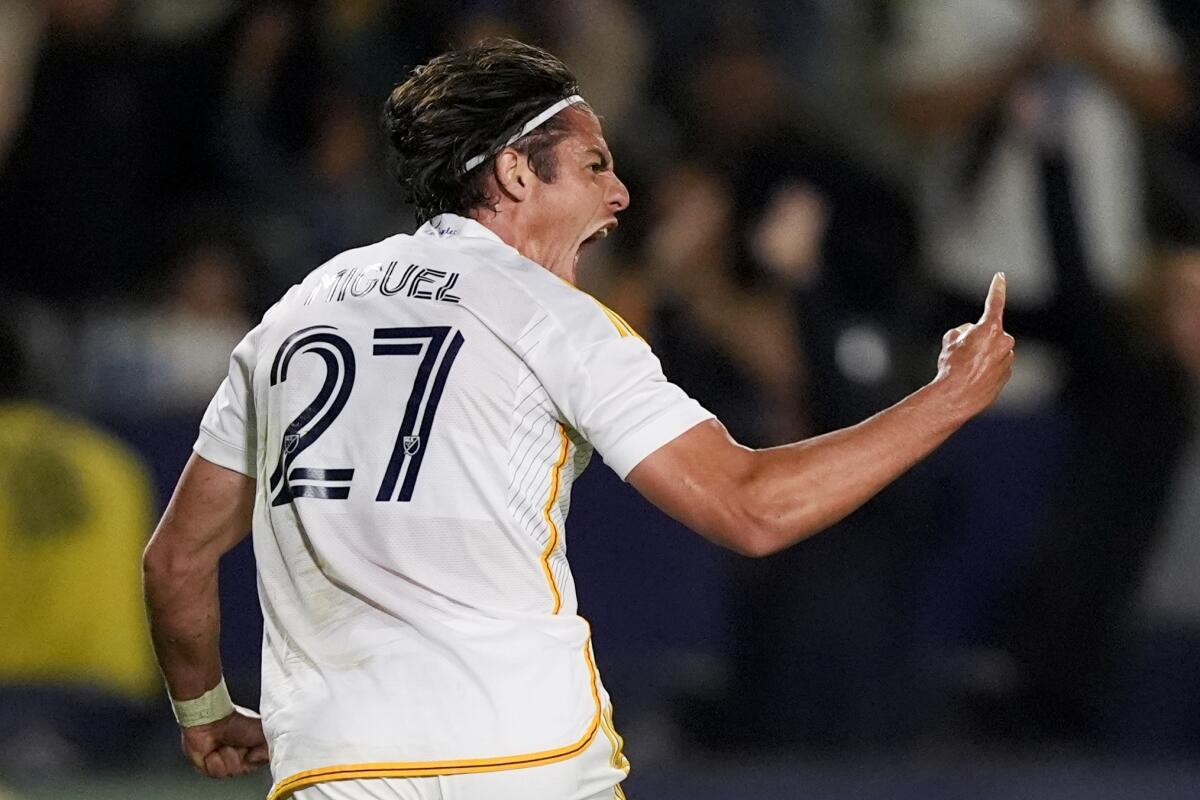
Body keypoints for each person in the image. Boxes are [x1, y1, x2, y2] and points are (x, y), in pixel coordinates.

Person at [142, 39, 1014, 800]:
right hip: (526, 759)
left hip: (337, 767)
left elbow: (178, 562)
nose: (623, 193)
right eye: (596, 165)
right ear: (518, 173)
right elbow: (752, 507)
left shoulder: (292, 319)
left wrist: (206, 710)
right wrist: (949, 399)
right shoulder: (554, 319)